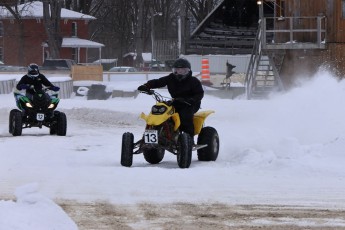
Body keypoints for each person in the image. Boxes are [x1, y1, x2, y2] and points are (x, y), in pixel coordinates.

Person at [138, 58, 204, 142]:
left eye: (182, 70)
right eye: (177, 70)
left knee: (185, 116)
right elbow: (158, 82)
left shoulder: (193, 81)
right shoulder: (171, 78)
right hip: (176, 102)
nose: (179, 72)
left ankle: (189, 140)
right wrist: (147, 86)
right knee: (163, 112)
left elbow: (199, 94)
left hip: (190, 103)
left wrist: (191, 100)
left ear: (188, 71)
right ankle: (161, 133)